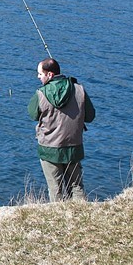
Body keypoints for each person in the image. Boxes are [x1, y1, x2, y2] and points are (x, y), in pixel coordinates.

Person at [28, 58, 96, 202]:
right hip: (74, 147)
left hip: (49, 148)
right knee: (76, 186)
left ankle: (60, 219)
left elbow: (33, 114)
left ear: (50, 75)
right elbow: (90, 116)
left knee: (55, 189)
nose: (38, 77)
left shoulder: (40, 93)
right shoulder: (79, 89)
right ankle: (81, 216)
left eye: (40, 74)